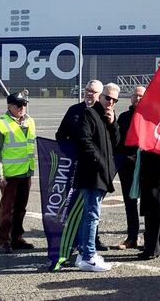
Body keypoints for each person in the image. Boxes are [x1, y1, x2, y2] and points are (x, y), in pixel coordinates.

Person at [56, 79, 109, 252]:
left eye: (92, 91)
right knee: (73, 205)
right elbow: (60, 135)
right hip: (76, 167)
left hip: (95, 169)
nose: (88, 93)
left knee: (93, 207)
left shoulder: (104, 113)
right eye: (87, 90)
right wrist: (72, 151)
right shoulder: (74, 111)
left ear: (100, 95)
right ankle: (71, 241)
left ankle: (93, 240)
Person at [74, 83, 120, 272]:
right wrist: (101, 163)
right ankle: (88, 256)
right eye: (108, 98)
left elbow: (116, 143)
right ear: (100, 97)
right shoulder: (89, 114)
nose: (110, 102)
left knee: (89, 214)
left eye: (114, 100)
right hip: (92, 174)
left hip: (100, 175)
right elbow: (84, 142)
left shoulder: (105, 117)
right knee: (92, 215)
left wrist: (113, 123)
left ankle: (84, 253)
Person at [0, 91, 36, 254]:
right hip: (9, 175)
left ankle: (17, 238)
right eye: (18, 105)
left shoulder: (30, 122)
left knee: (21, 208)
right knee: (7, 209)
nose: (22, 107)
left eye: (24, 104)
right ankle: (4, 240)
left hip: (26, 172)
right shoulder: (0, 124)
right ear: (9, 106)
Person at [115, 85, 144, 250]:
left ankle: (150, 237)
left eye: (140, 96)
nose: (137, 98)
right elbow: (118, 141)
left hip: (145, 165)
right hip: (127, 165)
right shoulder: (124, 117)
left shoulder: (150, 116)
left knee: (148, 203)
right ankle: (132, 237)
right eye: (135, 95)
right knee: (130, 202)